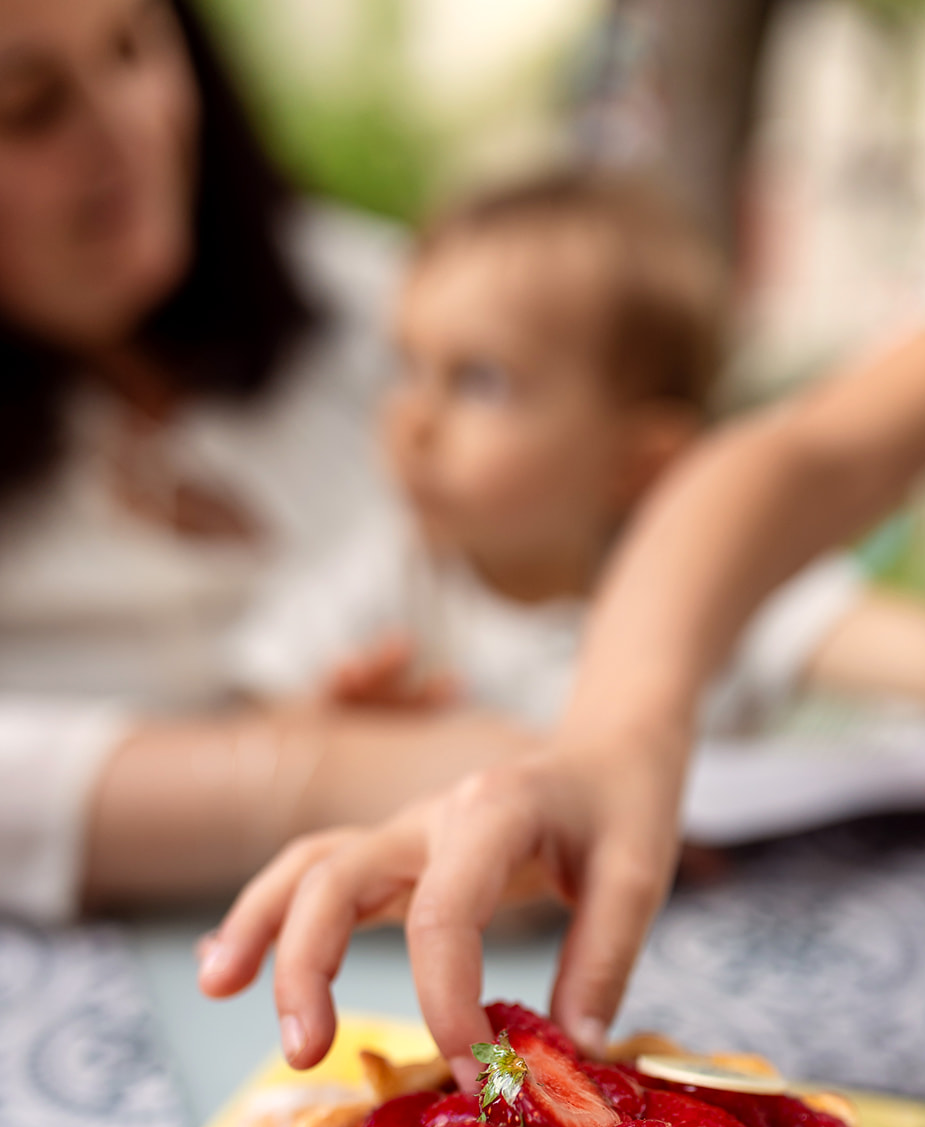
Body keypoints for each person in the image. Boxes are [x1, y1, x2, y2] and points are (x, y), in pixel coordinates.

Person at [200, 173, 925, 1085]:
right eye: (404, 367)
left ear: (639, 460)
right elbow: (255, 732)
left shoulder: (728, 596)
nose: (413, 418)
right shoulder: (391, 579)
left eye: (480, 380)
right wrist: (335, 729)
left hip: (703, 980)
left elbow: (913, 647)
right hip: (446, 985)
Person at [0, 0, 532, 924]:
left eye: (134, 46)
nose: (130, 125)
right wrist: (311, 774)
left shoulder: (360, 293)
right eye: (31, 104)